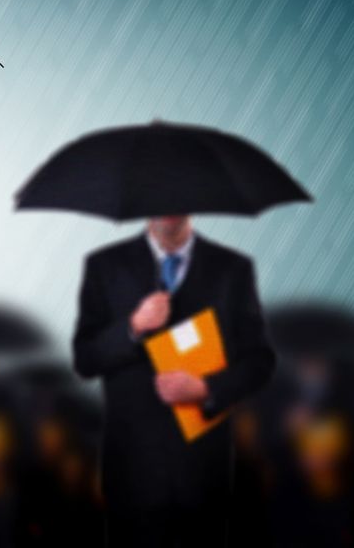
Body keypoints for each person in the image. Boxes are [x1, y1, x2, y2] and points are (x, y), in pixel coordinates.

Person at [72, 214, 276, 547]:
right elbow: (85, 359)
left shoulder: (231, 270)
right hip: (132, 473)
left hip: (203, 474)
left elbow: (259, 361)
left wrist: (208, 388)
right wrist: (133, 327)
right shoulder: (105, 267)